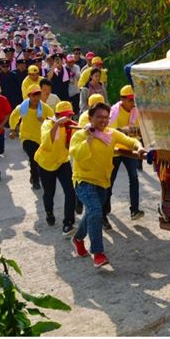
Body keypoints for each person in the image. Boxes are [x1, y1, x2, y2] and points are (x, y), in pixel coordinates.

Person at [69, 102, 144, 268]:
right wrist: (89, 137)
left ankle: (77, 238)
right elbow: (79, 156)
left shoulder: (111, 134)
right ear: (90, 118)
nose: (103, 121)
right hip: (83, 180)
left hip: (103, 182)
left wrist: (139, 148)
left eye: (106, 117)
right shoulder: (79, 136)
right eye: (99, 117)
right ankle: (98, 253)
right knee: (95, 211)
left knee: (91, 213)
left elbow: (130, 141)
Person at [101, 85, 143, 229]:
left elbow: (138, 130)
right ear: (122, 100)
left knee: (134, 178)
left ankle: (134, 210)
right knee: (109, 182)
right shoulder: (114, 112)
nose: (133, 103)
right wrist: (124, 131)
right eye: (130, 100)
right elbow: (108, 131)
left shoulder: (135, 111)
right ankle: (103, 214)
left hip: (128, 148)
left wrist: (127, 132)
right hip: (114, 150)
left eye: (134, 99)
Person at [35, 100, 78, 235]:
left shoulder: (70, 126)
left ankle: (68, 223)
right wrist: (57, 125)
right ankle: (49, 212)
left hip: (62, 162)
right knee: (49, 192)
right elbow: (47, 141)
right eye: (64, 116)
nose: (67, 119)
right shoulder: (48, 124)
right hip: (46, 164)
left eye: (69, 115)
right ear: (57, 115)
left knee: (70, 191)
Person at [9, 83, 55, 190]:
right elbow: (14, 116)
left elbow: (53, 122)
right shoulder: (22, 108)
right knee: (33, 158)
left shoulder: (45, 108)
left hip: (41, 138)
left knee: (39, 160)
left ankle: (33, 175)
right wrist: (12, 129)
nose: (36, 97)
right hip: (27, 137)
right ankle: (35, 180)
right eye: (33, 95)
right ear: (29, 95)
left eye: (38, 94)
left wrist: (43, 121)